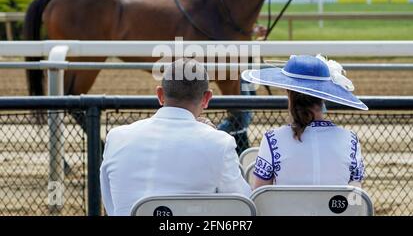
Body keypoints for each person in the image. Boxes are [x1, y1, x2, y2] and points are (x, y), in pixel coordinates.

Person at [100, 58, 250, 216]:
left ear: (160, 94)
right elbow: (243, 205)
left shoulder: (116, 137)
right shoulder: (220, 143)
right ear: (206, 99)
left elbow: (110, 204)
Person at [241, 54, 367, 189]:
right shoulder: (350, 140)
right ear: (323, 96)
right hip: (334, 210)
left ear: (289, 93)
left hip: (287, 210)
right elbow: (356, 196)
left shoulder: (273, 139)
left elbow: (260, 195)